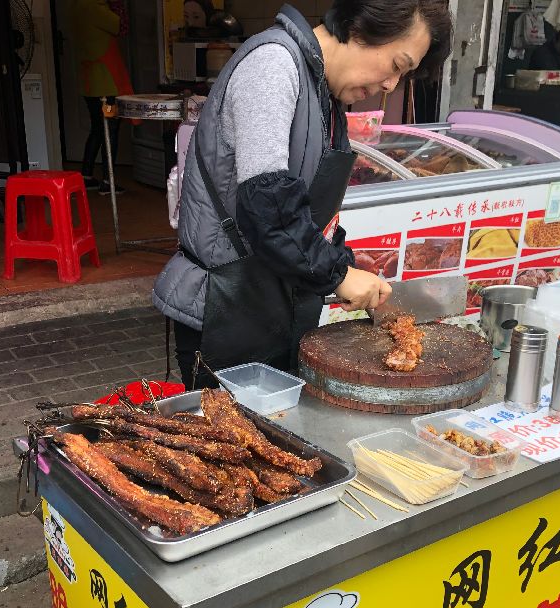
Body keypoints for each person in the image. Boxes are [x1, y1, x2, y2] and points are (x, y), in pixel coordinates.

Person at [152, 1, 453, 389]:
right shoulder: (273, 65)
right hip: (229, 307)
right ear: (360, 27)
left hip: (276, 302)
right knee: (231, 441)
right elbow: (269, 205)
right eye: (397, 65)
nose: (391, 85)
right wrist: (339, 274)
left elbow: (312, 210)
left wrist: (340, 261)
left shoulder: (323, 92)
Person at [69, 0, 134, 194]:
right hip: (106, 85)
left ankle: (86, 175)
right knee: (110, 129)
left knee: (98, 128)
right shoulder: (96, 9)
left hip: (89, 85)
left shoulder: (76, 8)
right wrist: (117, 5)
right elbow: (120, 27)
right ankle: (108, 181)